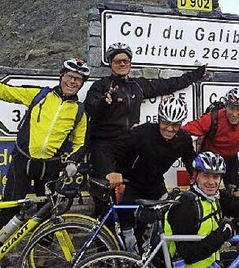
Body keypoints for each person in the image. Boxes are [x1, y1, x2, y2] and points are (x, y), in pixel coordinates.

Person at [0, 45, 89, 268]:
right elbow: (0, 91)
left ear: (81, 84)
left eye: (77, 79)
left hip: (49, 170)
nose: (72, 81)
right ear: (61, 76)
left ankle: (40, 265)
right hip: (21, 164)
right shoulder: (39, 96)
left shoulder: (79, 111)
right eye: (69, 76)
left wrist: (72, 161)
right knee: (8, 213)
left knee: (47, 218)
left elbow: (80, 142)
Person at [85, 42, 205, 219]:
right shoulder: (101, 86)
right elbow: (90, 109)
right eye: (117, 61)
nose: (122, 64)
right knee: (106, 196)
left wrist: (195, 74)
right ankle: (103, 243)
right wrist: (104, 103)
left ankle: (133, 232)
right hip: (105, 145)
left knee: (135, 195)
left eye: (125, 60)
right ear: (110, 63)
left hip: (130, 145)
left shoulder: (137, 86)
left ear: (130, 63)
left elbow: (167, 85)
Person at [116, 95, 196, 252]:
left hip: (155, 184)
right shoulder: (143, 133)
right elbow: (117, 150)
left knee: (161, 222)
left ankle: (153, 258)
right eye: (166, 123)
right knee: (129, 236)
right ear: (159, 119)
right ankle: (125, 260)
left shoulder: (183, 139)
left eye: (175, 125)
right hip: (130, 182)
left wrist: (199, 179)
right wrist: (114, 174)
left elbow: (190, 160)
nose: (170, 129)